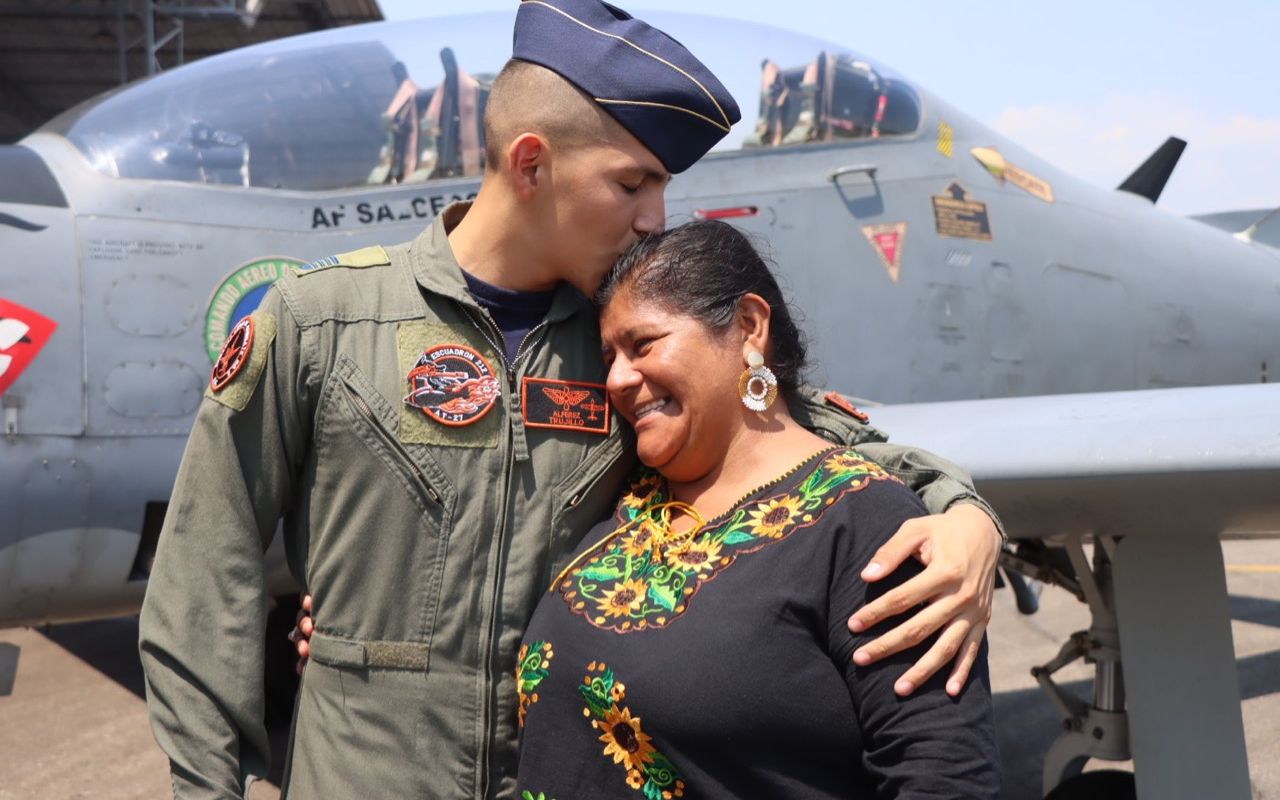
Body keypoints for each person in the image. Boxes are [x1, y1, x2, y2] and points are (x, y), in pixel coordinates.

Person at [139, 1, 1002, 798]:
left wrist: (967, 516)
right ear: (531, 163)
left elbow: (794, 435)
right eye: (632, 185)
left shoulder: (627, 355)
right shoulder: (323, 321)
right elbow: (201, 584)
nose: (654, 220)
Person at [515, 219, 1001, 799]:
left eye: (643, 345)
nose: (617, 378)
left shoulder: (867, 526)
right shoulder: (626, 497)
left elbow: (943, 775)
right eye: (609, 356)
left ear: (748, 327)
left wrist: (973, 518)